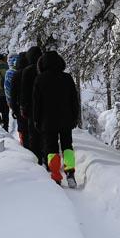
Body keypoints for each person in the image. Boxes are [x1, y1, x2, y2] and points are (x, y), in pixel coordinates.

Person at [32, 51, 80, 187]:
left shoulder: (39, 79)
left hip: (47, 120)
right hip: (66, 118)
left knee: (51, 148)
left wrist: (37, 120)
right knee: (67, 146)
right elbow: (74, 100)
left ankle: (56, 176)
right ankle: (70, 172)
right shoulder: (67, 78)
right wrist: (75, 116)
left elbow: (37, 103)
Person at [19, 45, 43, 164]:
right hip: (44, 107)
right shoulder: (42, 69)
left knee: (34, 136)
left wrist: (23, 107)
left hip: (31, 108)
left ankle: (37, 160)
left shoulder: (27, 71)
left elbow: (24, 92)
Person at [7, 52, 27, 142]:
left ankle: (23, 142)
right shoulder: (32, 71)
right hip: (29, 104)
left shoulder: (11, 73)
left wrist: (11, 103)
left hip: (19, 104)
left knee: (21, 125)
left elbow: (9, 90)